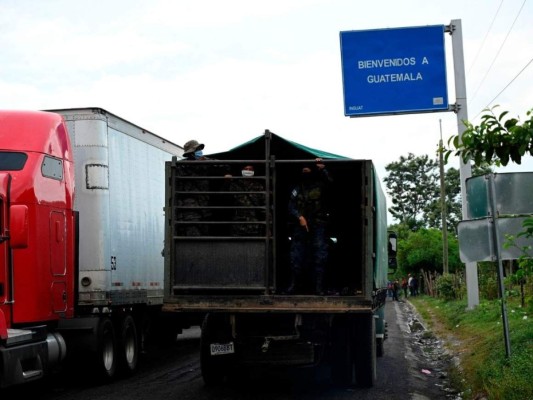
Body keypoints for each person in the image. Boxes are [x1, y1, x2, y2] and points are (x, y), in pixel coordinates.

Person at [286, 159, 333, 295]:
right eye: (303, 171)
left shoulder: (320, 185)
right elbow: (291, 206)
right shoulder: (296, 188)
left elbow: (331, 183)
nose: (305, 173)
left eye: (308, 171)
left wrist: (322, 169)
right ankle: (294, 285)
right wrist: (299, 217)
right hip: (300, 227)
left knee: (319, 256)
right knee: (296, 256)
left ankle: (319, 287)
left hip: (318, 225)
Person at [176, 140, 230, 236]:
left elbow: (224, 165)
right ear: (190, 153)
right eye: (197, 149)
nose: (199, 151)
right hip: (189, 210)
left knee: (205, 236)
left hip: (204, 208)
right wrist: (197, 164)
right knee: (193, 237)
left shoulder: (205, 161)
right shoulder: (181, 165)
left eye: (200, 149)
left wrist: (225, 174)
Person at [229, 164, 266, 236]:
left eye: (250, 169)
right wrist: (227, 182)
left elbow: (264, 205)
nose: (248, 171)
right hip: (239, 225)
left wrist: (268, 227)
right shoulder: (235, 185)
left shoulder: (259, 186)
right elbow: (226, 198)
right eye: (246, 169)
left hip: (254, 225)